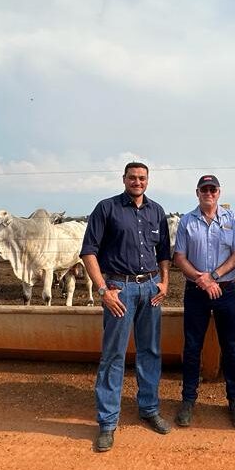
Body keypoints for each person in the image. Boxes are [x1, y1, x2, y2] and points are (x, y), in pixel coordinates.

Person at [81, 162, 172, 453]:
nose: (137, 182)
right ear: (124, 179)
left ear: (148, 181)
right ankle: (107, 422)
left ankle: (149, 408)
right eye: (132, 177)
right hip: (120, 291)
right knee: (113, 354)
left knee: (150, 351)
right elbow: (88, 251)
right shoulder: (106, 209)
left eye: (142, 178)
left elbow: (164, 253)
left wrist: (165, 283)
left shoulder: (156, 210)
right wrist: (103, 290)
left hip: (151, 289)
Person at [172, 174, 235, 428]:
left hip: (225, 290)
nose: (209, 193)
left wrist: (215, 276)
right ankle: (188, 400)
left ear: (219, 192)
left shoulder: (232, 219)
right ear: (197, 192)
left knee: (231, 346)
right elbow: (179, 257)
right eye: (204, 189)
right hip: (196, 291)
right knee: (192, 346)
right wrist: (201, 279)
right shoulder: (187, 221)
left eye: (213, 189)